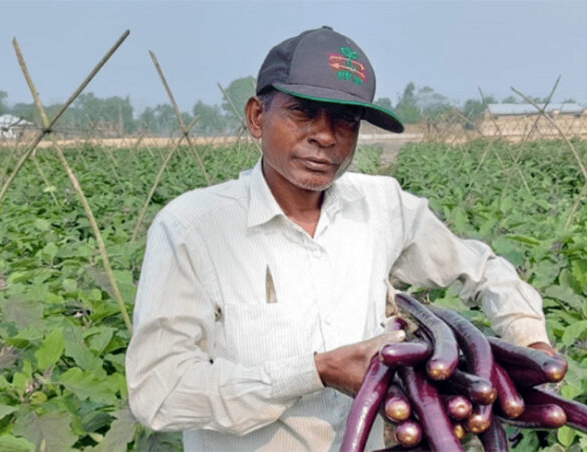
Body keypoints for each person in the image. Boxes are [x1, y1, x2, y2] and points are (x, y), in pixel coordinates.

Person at [126, 26, 557, 451]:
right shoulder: (193, 227)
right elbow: (159, 392)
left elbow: (483, 271)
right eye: (301, 112)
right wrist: (316, 371)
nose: (325, 136)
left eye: (345, 121)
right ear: (257, 117)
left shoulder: (382, 206)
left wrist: (531, 344)